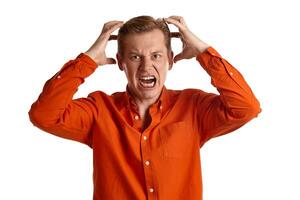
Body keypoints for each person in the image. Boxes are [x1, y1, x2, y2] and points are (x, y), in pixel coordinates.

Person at [28, 15, 261, 200]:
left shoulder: (194, 107)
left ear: (170, 59)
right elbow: (43, 115)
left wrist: (203, 52)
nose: (146, 66)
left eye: (156, 55)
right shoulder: (99, 110)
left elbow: (246, 108)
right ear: (121, 62)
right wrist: (87, 61)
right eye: (135, 57)